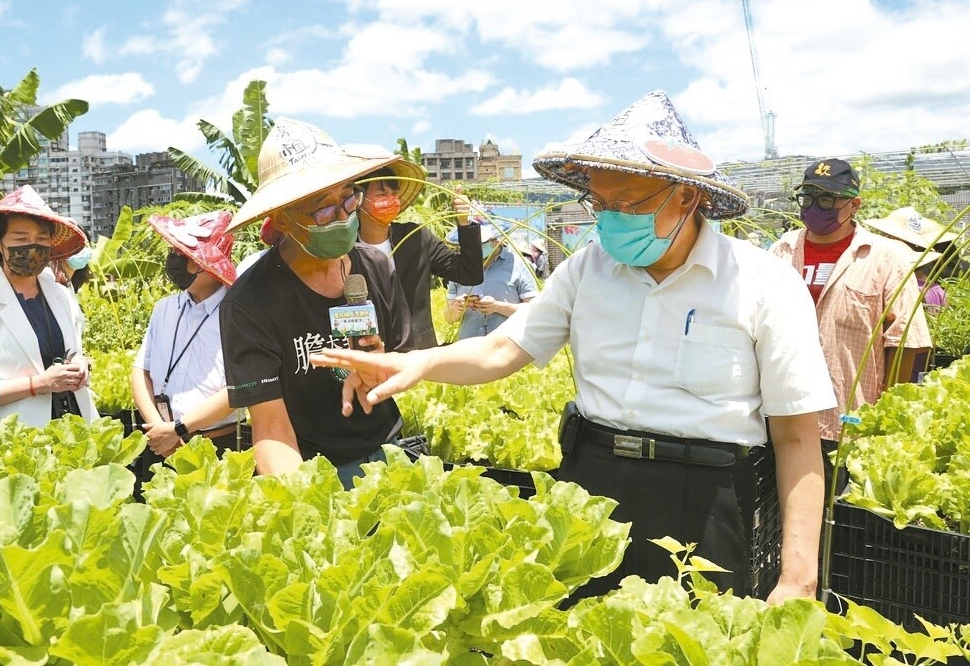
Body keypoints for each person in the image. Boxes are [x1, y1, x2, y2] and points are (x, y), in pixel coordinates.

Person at [312, 90, 834, 603]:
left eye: (626, 203)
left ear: (687, 196)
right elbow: (500, 352)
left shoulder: (763, 284)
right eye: (600, 203)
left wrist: (798, 579)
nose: (608, 219)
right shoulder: (587, 269)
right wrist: (417, 362)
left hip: (709, 498)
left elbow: (795, 438)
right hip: (594, 485)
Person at [220, 118, 414, 489]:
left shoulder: (375, 266)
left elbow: (405, 363)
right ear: (283, 218)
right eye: (322, 210)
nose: (343, 217)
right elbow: (272, 427)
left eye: (347, 198)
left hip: (390, 455)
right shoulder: (248, 304)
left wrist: (382, 365)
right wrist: (310, 504)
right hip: (315, 471)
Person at [770, 161, 931, 490]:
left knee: (837, 522)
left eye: (827, 200)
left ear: (854, 204)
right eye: (809, 197)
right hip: (781, 415)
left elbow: (905, 340)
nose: (816, 207)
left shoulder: (885, 256)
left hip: (846, 423)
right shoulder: (782, 250)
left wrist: (883, 419)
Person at [0, 186, 98, 428]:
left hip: (75, 428)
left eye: (41, 239)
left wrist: (81, 364)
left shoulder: (59, 293)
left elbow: (73, 351)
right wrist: (37, 384)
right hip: (17, 439)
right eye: (21, 239)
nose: (32, 247)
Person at [133, 211, 242, 458]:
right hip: (159, 440)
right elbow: (141, 370)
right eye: (173, 252)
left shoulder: (237, 313)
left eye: (182, 254)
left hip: (215, 444)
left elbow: (239, 387)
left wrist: (179, 429)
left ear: (205, 265)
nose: (173, 260)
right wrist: (160, 429)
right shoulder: (165, 308)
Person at [356, 161, 483, 348]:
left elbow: (469, 273)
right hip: (365, 349)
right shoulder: (346, 248)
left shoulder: (415, 237)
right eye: (382, 194)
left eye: (395, 194)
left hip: (416, 350)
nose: (390, 200)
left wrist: (464, 223)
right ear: (358, 200)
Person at [444, 221, 537, 339]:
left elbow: (533, 311)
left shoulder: (518, 264)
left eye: (480, 243)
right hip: (468, 346)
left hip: (506, 345)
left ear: (496, 240)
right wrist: (458, 308)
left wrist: (497, 307)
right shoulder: (460, 266)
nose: (474, 248)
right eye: (470, 243)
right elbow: (448, 318)